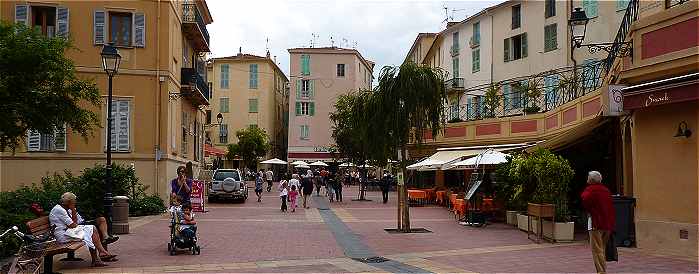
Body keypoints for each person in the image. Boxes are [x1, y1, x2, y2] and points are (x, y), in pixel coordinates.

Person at [50, 192, 117, 267]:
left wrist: (73, 210)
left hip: (68, 232)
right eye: (74, 201)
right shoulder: (59, 210)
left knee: (92, 229)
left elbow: (74, 224)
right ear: (69, 202)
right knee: (92, 230)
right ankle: (100, 255)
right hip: (63, 236)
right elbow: (73, 225)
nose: (75, 203)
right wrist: (73, 210)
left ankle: (100, 255)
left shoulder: (65, 208)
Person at [581, 171, 615, 274]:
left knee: (597, 250)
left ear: (591, 180)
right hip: (608, 223)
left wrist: (591, 209)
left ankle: (601, 272)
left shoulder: (590, 190)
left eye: (588, 177)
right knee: (602, 248)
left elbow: (584, 199)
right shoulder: (606, 190)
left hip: (596, 223)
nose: (587, 179)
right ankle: (602, 270)